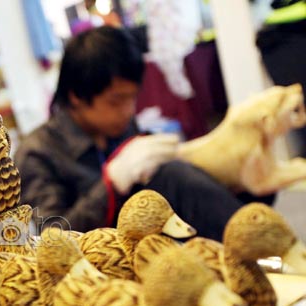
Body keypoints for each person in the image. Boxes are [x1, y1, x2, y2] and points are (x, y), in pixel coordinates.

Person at [15, 26, 265, 241]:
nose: (128, 111)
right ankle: (260, 245)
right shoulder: (37, 153)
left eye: (133, 98)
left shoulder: (120, 126)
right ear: (76, 96)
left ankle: (261, 244)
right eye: (116, 101)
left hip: (159, 246)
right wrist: (110, 185)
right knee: (171, 177)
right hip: (104, 265)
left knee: (244, 173)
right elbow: (54, 239)